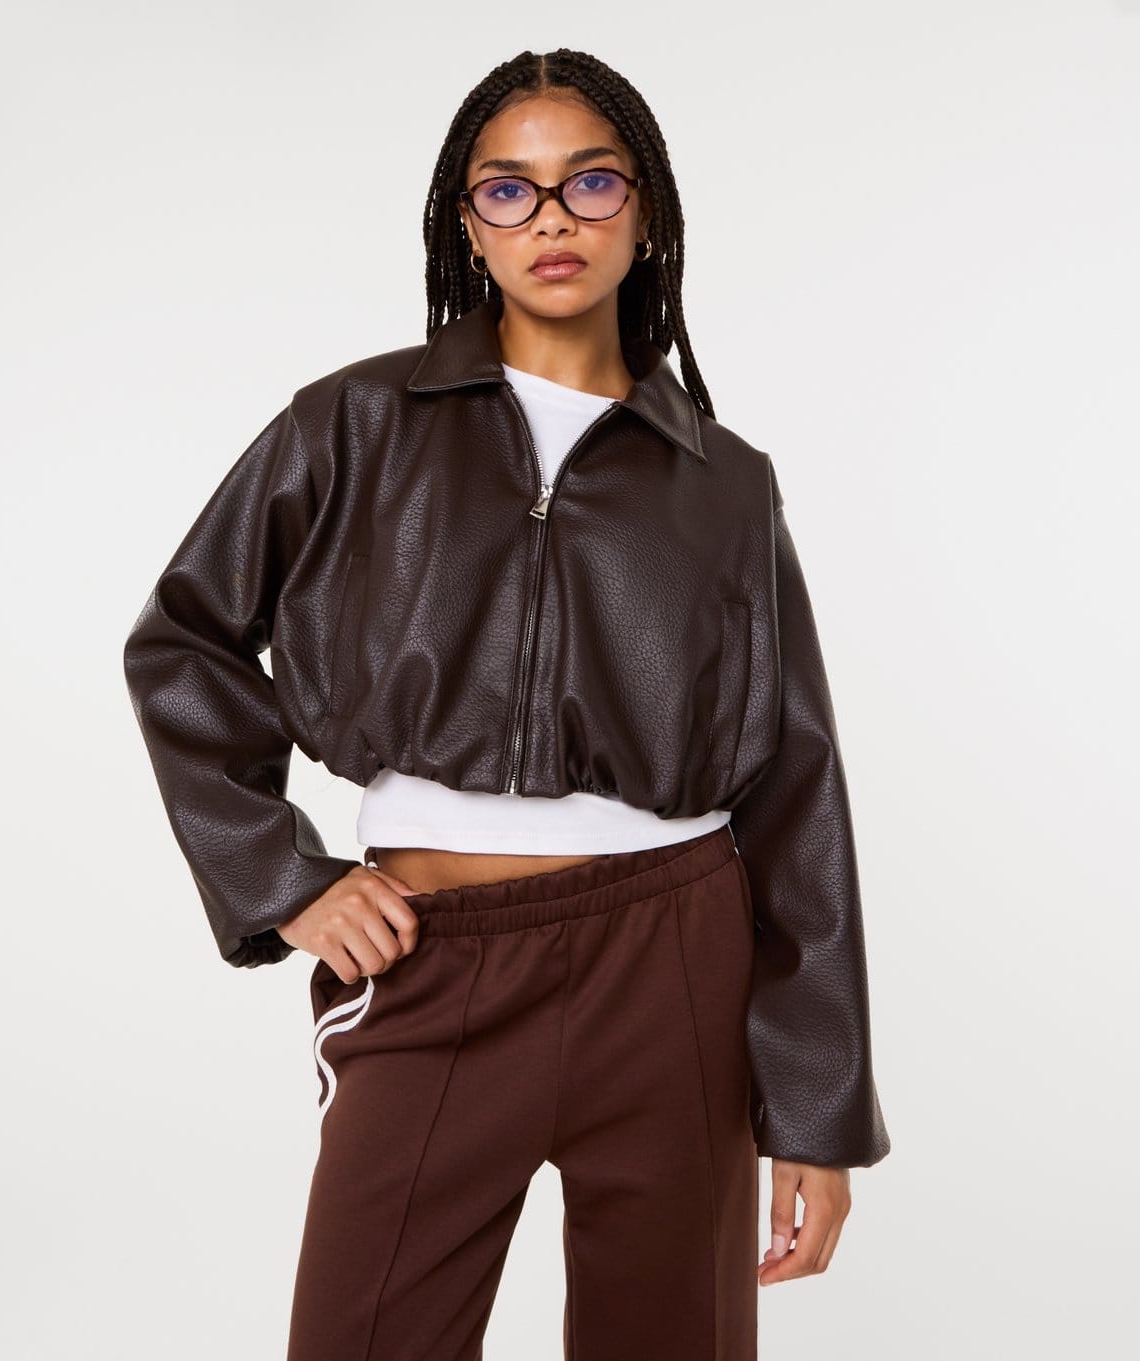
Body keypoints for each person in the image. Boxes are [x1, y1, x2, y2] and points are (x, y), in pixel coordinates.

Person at [123, 46, 890, 1361]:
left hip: (675, 962)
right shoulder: (352, 426)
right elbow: (183, 640)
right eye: (508, 190)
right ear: (467, 225)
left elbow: (794, 784)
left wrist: (816, 1111)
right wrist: (282, 879)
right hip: (433, 953)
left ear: (644, 213)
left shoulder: (724, 483)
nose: (551, 219)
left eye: (591, 183)